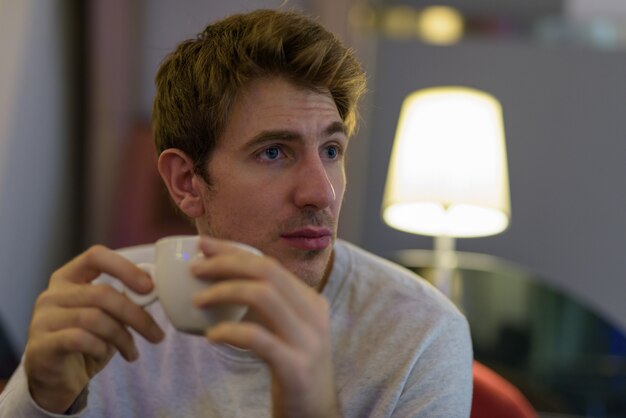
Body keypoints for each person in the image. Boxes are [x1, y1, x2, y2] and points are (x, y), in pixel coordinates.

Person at [0, 8, 472, 417]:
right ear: (187, 183)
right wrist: (42, 401)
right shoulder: (111, 305)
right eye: (273, 153)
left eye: (331, 150)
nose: (322, 192)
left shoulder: (420, 334)